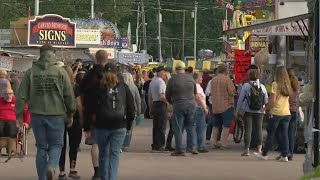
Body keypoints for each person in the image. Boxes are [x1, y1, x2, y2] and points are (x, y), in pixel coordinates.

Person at [15, 44, 75, 180]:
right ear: (54, 54)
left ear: (40, 54)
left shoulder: (30, 72)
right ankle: (52, 166)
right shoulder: (61, 72)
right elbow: (69, 95)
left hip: (36, 115)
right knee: (56, 144)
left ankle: (42, 177)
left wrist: (18, 114)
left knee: (41, 148)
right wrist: (71, 114)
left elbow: (21, 95)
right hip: (57, 115)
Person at [93, 63, 135, 180]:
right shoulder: (124, 87)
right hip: (119, 124)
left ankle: (104, 178)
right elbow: (131, 107)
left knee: (103, 154)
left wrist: (89, 124)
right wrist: (128, 125)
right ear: (117, 73)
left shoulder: (98, 87)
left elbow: (91, 106)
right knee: (114, 154)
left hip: (102, 124)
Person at [79, 50, 109, 180]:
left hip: (92, 113)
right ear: (107, 59)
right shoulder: (110, 74)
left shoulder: (89, 75)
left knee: (95, 143)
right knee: (107, 144)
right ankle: (106, 171)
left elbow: (80, 93)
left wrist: (83, 115)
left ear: (96, 59)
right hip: (109, 113)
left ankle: (97, 171)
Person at [254, 66, 292, 162]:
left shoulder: (275, 84)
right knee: (284, 134)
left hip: (276, 112)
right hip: (286, 112)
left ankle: (265, 153)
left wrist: (265, 108)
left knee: (271, 133)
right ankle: (285, 155)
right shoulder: (288, 84)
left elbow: (272, 101)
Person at [166, 61, 198, 156]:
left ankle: (179, 150)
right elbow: (195, 92)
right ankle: (191, 147)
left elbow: (167, 94)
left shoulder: (173, 79)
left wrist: (172, 102)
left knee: (178, 128)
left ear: (176, 69)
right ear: (184, 69)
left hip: (179, 105)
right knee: (191, 126)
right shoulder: (191, 78)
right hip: (191, 105)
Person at [58, 69, 84, 180]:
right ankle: (72, 169)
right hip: (75, 118)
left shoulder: (58, 87)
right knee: (74, 145)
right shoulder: (76, 87)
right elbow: (78, 104)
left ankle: (62, 171)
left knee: (61, 145)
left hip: (59, 118)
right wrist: (82, 118)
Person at [236, 69, 268, 156]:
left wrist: (237, 111)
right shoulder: (262, 86)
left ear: (249, 76)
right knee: (259, 130)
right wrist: (263, 108)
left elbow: (240, 99)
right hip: (260, 111)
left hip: (248, 110)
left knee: (248, 130)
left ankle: (247, 150)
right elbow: (266, 100)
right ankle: (259, 150)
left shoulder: (246, 86)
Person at [275, 68, 300, 161]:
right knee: (290, 133)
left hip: (286, 111)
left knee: (281, 132)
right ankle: (290, 153)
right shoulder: (296, 86)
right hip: (294, 111)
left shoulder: (287, 86)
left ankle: (284, 152)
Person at [211, 64, 236, 149]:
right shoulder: (227, 79)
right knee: (226, 125)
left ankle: (214, 141)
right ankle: (223, 143)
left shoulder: (213, 79)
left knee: (216, 125)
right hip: (226, 105)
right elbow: (231, 92)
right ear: (226, 71)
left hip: (215, 105)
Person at [148, 66, 169, 153]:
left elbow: (149, 96)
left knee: (156, 126)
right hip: (161, 105)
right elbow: (162, 96)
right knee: (161, 126)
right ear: (160, 72)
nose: (165, 74)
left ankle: (155, 145)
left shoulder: (152, 81)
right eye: (164, 72)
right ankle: (160, 146)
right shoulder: (161, 82)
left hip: (154, 104)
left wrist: (150, 107)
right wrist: (169, 102)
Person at [122, 72, 141, 151]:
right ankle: (126, 145)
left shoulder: (121, 87)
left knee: (122, 127)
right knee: (129, 128)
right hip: (132, 109)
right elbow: (138, 99)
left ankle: (120, 143)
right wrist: (139, 110)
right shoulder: (134, 87)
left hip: (122, 109)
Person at [192, 72, 209, 153]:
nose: (202, 78)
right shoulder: (197, 86)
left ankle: (194, 145)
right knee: (201, 128)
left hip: (195, 108)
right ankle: (200, 146)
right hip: (199, 108)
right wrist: (204, 107)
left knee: (195, 128)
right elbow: (198, 97)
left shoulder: (195, 86)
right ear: (196, 78)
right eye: (200, 77)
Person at [164, 72, 175, 151]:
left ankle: (168, 144)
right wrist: (170, 111)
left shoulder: (167, 86)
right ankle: (168, 144)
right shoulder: (169, 87)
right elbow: (169, 100)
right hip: (171, 109)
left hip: (169, 109)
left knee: (171, 128)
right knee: (172, 128)